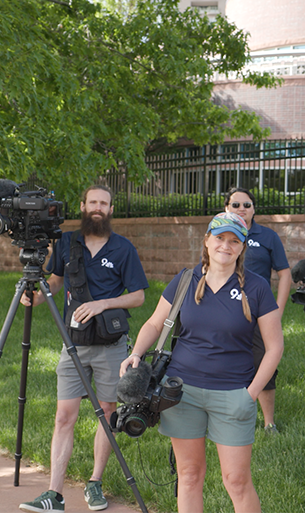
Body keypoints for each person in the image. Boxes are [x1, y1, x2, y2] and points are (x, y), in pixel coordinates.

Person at [120, 212, 283, 513]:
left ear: (242, 247)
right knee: (189, 475)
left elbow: (275, 348)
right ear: (207, 240)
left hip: (233, 394)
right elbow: (155, 324)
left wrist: (250, 394)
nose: (226, 245)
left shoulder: (257, 287)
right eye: (220, 238)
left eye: (234, 240)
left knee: (236, 481)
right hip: (181, 393)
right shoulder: (185, 280)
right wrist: (135, 354)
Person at [20, 185, 148, 512]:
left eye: (103, 203)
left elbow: (138, 296)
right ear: (82, 205)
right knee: (64, 417)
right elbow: (55, 281)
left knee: (107, 413)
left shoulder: (123, 248)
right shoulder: (66, 243)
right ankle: (54, 494)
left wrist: (103, 304)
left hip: (110, 345)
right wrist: (34, 295)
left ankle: (95, 482)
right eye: (93, 202)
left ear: (110, 210)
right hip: (73, 345)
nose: (97, 208)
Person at [225, 187, 290, 434]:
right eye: (236, 205)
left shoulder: (268, 236)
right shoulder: (222, 235)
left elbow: (284, 273)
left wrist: (278, 309)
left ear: (254, 208)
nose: (242, 209)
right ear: (226, 208)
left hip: (258, 311)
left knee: (264, 359)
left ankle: (268, 422)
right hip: (225, 309)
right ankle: (226, 414)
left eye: (247, 205)